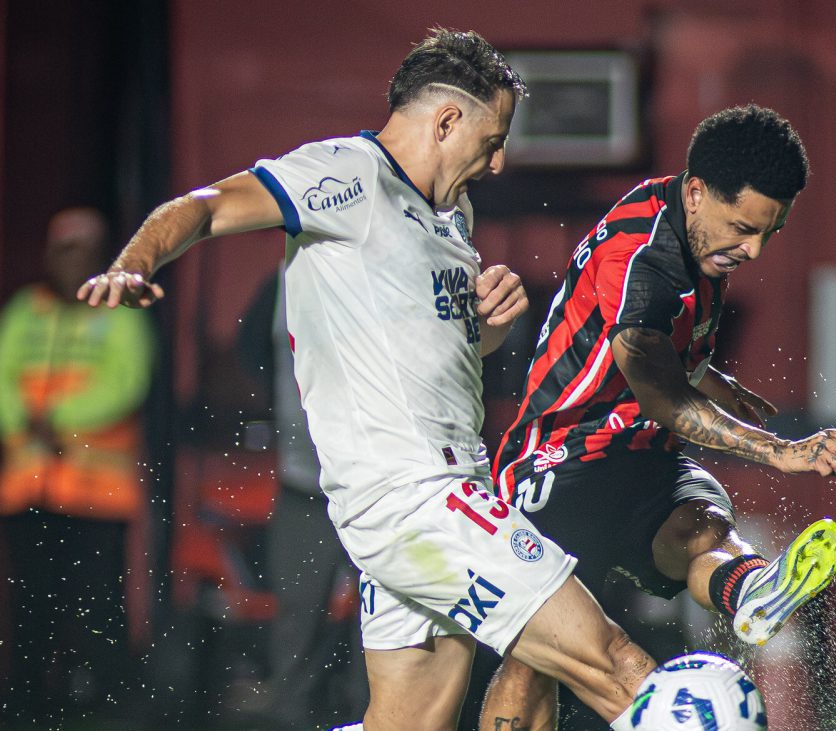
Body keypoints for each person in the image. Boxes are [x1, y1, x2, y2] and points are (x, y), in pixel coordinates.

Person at [79, 28, 675, 731]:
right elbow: (207, 205)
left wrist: (488, 324)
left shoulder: (453, 215)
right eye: (492, 140)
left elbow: (449, 350)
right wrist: (135, 261)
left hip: (440, 495)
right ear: (446, 121)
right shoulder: (348, 175)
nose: (498, 161)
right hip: (418, 500)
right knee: (615, 662)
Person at [480, 104, 836, 730]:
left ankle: (751, 590)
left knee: (703, 525)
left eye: (770, 232)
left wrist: (717, 381)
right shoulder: (643, 253)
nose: (754, 249)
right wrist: (779, 450)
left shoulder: (699, 239)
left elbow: (660, 347)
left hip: (639, 458)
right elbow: (658, 391)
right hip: (562, 464)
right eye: (744, 228)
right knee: (537, 661)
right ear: (696, 192)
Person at [0, 207, 156, 727]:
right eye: (65, 250)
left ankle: (106, 701)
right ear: (50, 255)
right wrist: (23, 419)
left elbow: (126, 381)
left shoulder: (121, 311)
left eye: (84, 251)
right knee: (30, 605)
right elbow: (3, 376)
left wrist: (57, 419)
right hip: (29, 491)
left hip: (96, 496)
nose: (73, 262)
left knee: (97, 605)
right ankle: (28, 701)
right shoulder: (26, 310)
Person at [236, 263, 367, 728]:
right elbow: (252, 355)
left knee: (383, 629)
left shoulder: (378, 268)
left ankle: (373, 720)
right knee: (296, 626)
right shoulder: (281, 281)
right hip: (303, 485)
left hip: (376, 486)